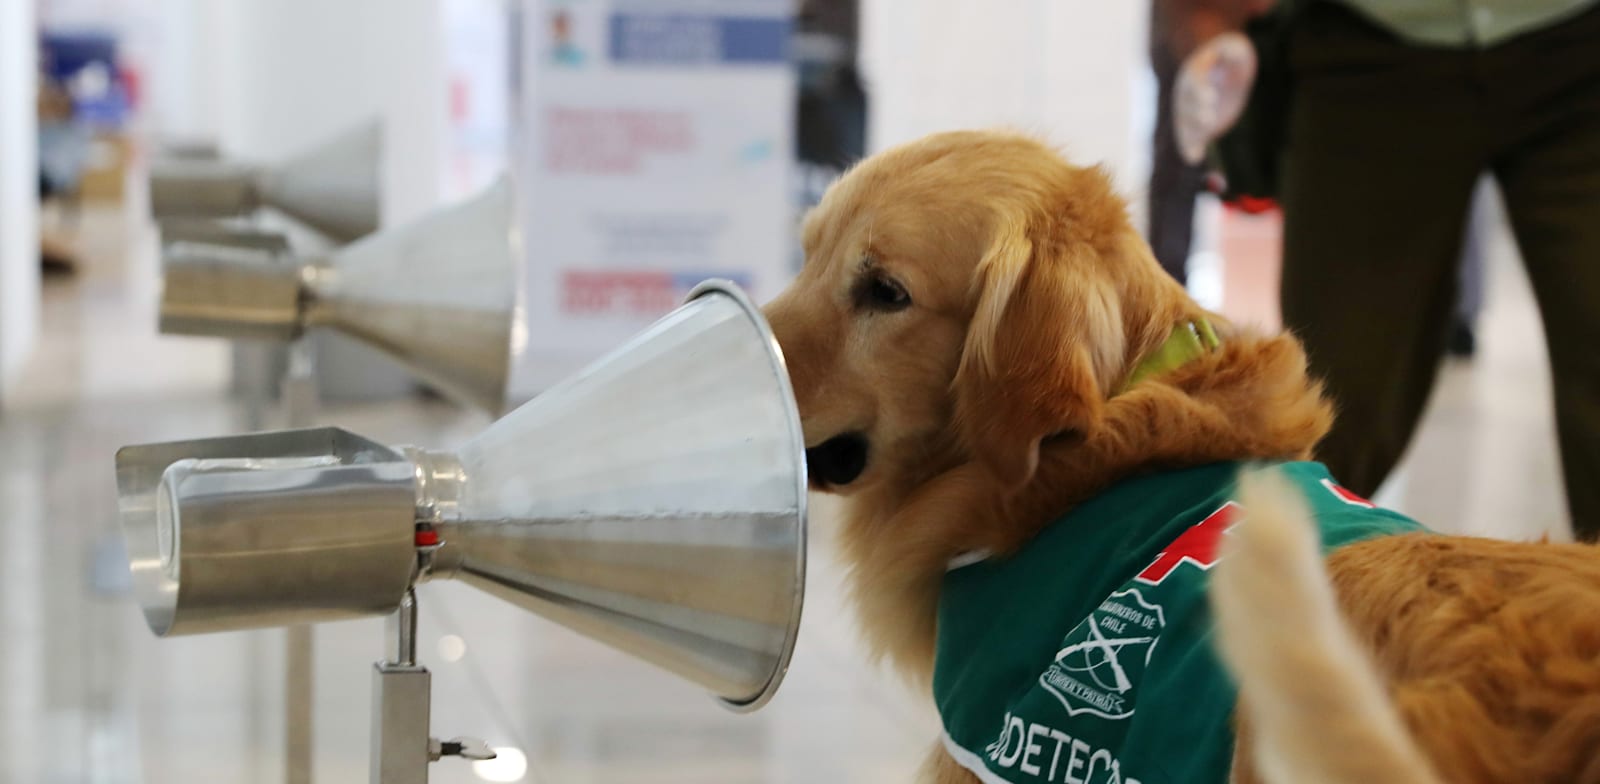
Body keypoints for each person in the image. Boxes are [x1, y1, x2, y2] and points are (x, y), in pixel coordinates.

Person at [1169, 0, 1600, 539]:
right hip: (1367, 49)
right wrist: (1211, 19)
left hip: (1581, 47)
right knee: (1329, 407)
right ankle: (1251, 607)